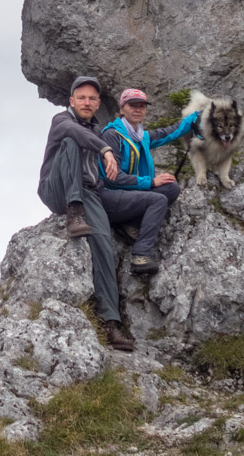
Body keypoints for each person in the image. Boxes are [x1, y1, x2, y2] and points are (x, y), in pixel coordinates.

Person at [37, 76, 135, 352]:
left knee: (104, 245)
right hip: (56, 188)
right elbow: (75, 134)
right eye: (81, 97)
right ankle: (74, 210)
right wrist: (104, 149)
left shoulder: (98, 130)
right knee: (71, 140)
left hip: (89, 192)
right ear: (71, 101)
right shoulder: (61, 120)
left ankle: (111, 322)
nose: (87, 102)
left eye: (92, 99)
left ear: (98, 103)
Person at [98, 88, 200, 274]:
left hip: (128, 197)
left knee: (171, 189)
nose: (138, 109)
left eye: (141, 106)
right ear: (122, 109)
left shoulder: (139, 136)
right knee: (158, 199)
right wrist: (151, 182)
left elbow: (167, 133)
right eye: (132, 105)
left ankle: (129, 223)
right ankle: (140, 256)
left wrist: (193, 119)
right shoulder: (112, 135)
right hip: (108, 199)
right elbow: (113, 178)